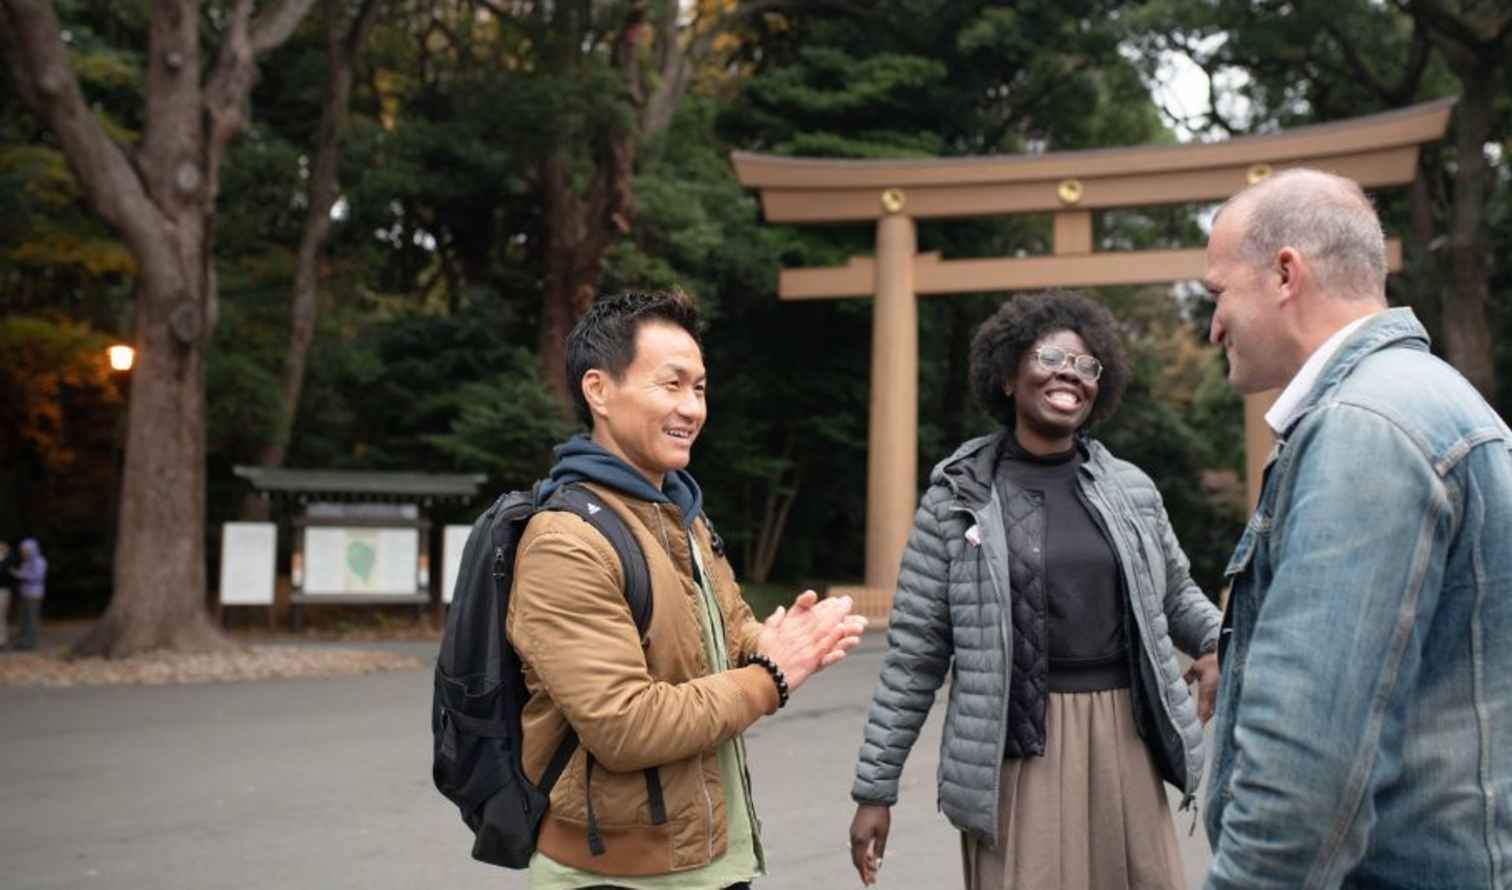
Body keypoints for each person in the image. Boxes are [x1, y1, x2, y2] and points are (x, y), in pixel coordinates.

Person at [1200, 167, 1512, 887]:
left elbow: (1307, 763)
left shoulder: (1363, 428)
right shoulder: (1439, 400)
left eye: (1218, 294)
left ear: (1286, 274)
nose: (1214, 325)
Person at [849, 290, 1222, 890]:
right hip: (1016, 746)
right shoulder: (957, 498)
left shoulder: (1131, 489)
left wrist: (1216, 643)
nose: (1071, 373)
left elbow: (1175, 593)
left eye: (1087, 365)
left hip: (1126, 736)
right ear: (1006, 374)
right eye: (1051, 356)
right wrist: (875, 788)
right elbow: (915, 656)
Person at [508, 289, 867, 889]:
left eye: (699, 388)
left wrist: (774, 640)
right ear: (598, 390)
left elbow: (723, 638)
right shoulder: (566, 541)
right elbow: (624, 725)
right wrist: (769, 675)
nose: (692, 408)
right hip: (614, 875)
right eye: (671, 385)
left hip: (710, 856)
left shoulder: (680, 514)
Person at [9, 537, 47, 651]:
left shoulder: (40, 561)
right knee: (24, 618)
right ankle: (23, 641)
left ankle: (31, 643)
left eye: (25, 550)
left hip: (34, 594)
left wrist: (20, 575)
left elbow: (37, 577)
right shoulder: (26, 562)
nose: (23, 553)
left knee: (32, 618)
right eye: (22, 550)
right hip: (24, 593)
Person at [0, 540, 11, 648]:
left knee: (1, 616)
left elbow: (5, 577)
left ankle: (2, 640)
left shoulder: (6, 562)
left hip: (3, 591)